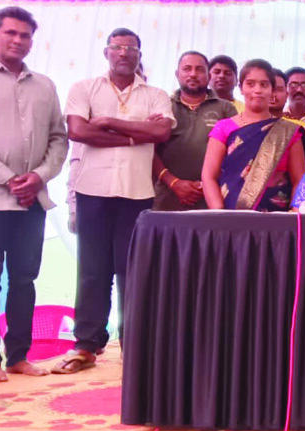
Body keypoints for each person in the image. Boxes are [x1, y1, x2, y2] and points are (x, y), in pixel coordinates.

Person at [0, 6, 67, 383]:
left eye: (25, 35)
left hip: (31, 199)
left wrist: (38, 177)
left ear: (32, 41)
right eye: (10, 33)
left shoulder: (45, 86)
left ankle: (18, 356)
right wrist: (9, 179)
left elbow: (59, 139)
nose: (18, 40)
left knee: (24, 277)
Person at [59, 27, 174, 374]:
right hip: (92, 189)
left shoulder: (155, 95)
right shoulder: (84, 88)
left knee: (133, 272)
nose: (124, 53)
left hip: (137, 192)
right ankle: (86, 345)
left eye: (131, 48)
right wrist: (135, 135)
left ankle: (133, 344)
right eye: (117, 47)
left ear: (140, 55)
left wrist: (108, 123)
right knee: (92, 270)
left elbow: (161, 132)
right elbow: (78, 131)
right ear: (106, 52)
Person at [201, 59, 305, 211]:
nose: (257, 90)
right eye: (250, 84)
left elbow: (300, 181)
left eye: (264, 85)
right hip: (231, 215)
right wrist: (220, 214)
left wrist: (293, 215)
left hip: (278, 218)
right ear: (241, 88)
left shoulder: (288, 131)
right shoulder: (223, 128)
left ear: (272, 89)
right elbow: (208, 176)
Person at [153, 51, 237, 211]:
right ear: (177, 74)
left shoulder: (226, 108)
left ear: (208, 75)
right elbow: (149, 151)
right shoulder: (164, 106)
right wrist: (174, 183)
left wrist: (207, 185)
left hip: (213, 199)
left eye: (199, 69)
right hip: (167, 199)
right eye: (187, 69)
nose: (193, 74)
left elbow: (235, 153)